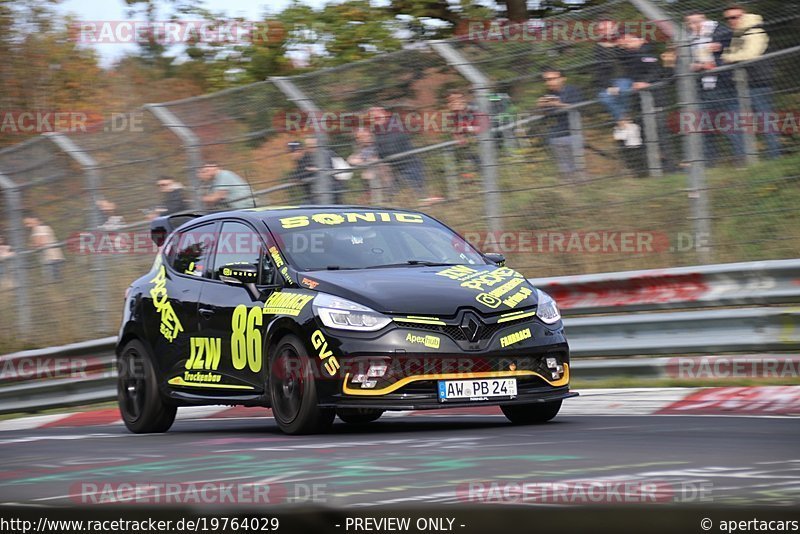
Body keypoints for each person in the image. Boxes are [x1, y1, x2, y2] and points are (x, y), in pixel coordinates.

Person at [718, 4, 780, 158]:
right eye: (728, 18)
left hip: (758, 83)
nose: (731, 21)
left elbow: (751, 54)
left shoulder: (754, 30)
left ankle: (774, 156)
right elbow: (731, 54)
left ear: (743, 15)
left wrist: (729, 57)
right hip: (739, 84)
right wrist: (728, 55)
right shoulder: (738, 34)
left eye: (735, 17)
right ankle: (744, 158)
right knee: (732, 121)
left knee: (765, 121)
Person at [685, 11, 744, 165]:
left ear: (705, 19)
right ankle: (710, 163)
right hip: (703, 88)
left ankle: (742, 159)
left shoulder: (722, 31)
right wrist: (695, 66)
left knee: (732, 125)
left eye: (697, 21)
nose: (694, 26)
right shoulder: (688, 39)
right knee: (705, 127)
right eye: (690, 23)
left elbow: (739, 47)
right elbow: (681, 63)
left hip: (724, 84)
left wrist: (721, 48)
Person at [368, 106, 441, 205]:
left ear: (386, 114)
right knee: (392, 197)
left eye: (377, 115)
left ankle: (439, 205)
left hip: (410, 166)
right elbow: (378, 148)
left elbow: (391, 148)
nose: (374, 118)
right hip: (397, 169)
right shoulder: (378, 131)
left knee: (419, 195)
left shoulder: (395, 126)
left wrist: (379, 155)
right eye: (372, 116)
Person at [536, 67, 583, 178]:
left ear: (563, 78)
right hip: (555, 136)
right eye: (546, 80)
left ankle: (583, 187)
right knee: (565, 169)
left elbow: (579, 108)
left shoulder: (572, 90)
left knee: (579, 166)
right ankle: (570, 188)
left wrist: (558, 104)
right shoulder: (548, 94)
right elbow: (543, 116)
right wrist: (540, 106)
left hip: (572, 133)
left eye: (552, 78)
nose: (549, 82)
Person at [347, 127, 391, 204]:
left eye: (368, 136)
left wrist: (361, 160)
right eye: (362, 137)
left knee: (369, 174)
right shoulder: (363, 148)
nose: (367, 138)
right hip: (371, 176)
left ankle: (380, 197)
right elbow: (351, 159)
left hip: (381, 175)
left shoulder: (376, 145)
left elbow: (372, 159)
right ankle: (370, 196)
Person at [24, 216, 65, 281]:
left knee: (52, 281)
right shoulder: (36, 230)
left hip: (52, 258)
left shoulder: (41, 228)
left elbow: (41, 243)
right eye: (26, 224)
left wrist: (33, 245)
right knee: (52, 280)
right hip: (49, 258)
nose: (27, 226)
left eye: (29, 223)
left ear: (35, 219)